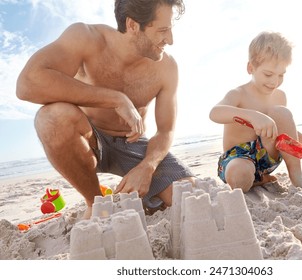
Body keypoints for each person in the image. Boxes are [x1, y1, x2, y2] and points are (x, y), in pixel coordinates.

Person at [16, 0, 194, 218]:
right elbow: (27, 84)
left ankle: (147, 199)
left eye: (170, 29)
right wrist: (115, 99)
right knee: (51, 118)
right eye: (163, 30)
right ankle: (96, 203)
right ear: (132, 25)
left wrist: (147, 166)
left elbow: (165, 130)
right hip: (88, 139)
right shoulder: (85, 37)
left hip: (133, 144)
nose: (171, 40)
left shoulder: (167, 68)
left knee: (189, 194)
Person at [209, 31, 302, 193]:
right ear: (250, 68)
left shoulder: (279, 97)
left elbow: (285, 130)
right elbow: (215, 113)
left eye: (281, 75)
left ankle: (297, 175)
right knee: (240, 178)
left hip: (268, 156)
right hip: (238, 157)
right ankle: (256, 178)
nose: (274, 81)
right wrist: (252, 115)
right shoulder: (238, 94)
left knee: (281, 113)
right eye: (268, 74)